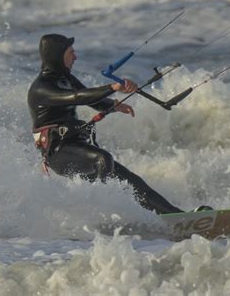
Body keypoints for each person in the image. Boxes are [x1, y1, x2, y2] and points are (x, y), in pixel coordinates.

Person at [27, 33, 183, 214]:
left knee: (130, 180)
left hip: (75, 146)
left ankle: (174, 216)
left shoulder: (66, 78)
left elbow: (90, 98)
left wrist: (113, 105)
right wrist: (113, 87)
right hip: (57, 153)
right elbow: (76, 97)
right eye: (71, 53)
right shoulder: (41, 88)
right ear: (56, 56)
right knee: (103, 159)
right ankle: (103, 215)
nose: (75, 57)